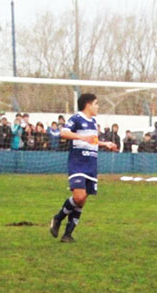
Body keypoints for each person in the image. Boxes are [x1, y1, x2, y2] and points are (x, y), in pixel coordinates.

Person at [48, 93, 118, 243]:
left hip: (91, 164)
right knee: (78, 196)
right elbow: (63, 133)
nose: (98, 106)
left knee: (83, 199)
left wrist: (105, 144)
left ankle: (68, 234)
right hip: (78, 163)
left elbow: (92, 140)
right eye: (96, 103)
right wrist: (80, 137)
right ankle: (58, 218)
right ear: (88, 104)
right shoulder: (76, 119)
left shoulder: (93, 122)